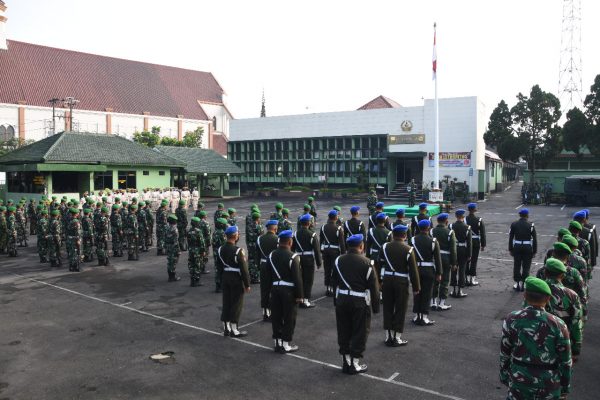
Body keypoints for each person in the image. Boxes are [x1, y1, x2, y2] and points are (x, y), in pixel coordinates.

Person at [500, 277, 572, 400]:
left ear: (525, 295)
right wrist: (565, 387)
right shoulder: (558, 324)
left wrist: (504, 376)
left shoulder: (511, 319)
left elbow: (505, 353)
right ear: (548, 299)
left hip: (519, 380)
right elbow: (565, 361)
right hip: (548, 384)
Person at [332, 234, 380, 374]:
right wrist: (376, 307)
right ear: (361, 246)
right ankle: (355, 363)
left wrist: (337, 301)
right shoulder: (367, 263)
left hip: (342, 301)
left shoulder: (338, 260)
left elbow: (334, 282)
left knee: (344, 331)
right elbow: (374, 287)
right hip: (359, 302)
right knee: (360, 332)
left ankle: (346, 361)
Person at [380, 224, 420, 346]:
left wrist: (379, 281)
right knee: (400, 309)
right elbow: (413, 271)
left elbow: (379, 263)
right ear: (404, 235)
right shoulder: (408, 249)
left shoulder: (385, 247)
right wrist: (416, 287)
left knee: (387, 308)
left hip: (387, 280)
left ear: (393, 235)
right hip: (401, 282)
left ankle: (388, 336)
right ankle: (397, 337)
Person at [265, 230, 304, 353]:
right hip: (288, 291)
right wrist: (299, 295)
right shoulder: (293, 257)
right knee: (289, 317)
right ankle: (286, 343)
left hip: (274, 289)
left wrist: (267, 293)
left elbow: (267, 276)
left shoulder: (271, 255)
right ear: (290, 241)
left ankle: (277, 341)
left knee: (276, 316)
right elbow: (297, 278)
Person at [217, 225, 251, 338]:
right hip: (236, 279)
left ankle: (226, 327)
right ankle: (234, 330)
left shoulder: (220, 249)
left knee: (226, 302)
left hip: (225, 277)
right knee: (236, 304)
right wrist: (247, 284)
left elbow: (219, 267)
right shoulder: (238, 251)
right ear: (235, 236)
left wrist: (221, 279)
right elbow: (244, 269)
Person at [410, 220, 442, 326]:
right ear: (428, 228)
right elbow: (437, 259)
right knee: (427, 293)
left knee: (416, 292)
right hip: (428, 270)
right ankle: (424, 317)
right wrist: (439, 273)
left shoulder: (413, 240)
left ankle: (416, 315)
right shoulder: (433, 241)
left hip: (416, 270)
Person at [293, 214, 323, 308]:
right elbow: (316, 250)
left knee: (299, 279)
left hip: (297, 258)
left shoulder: (295, 234)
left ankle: (299, 298)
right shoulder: (312, 235)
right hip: (308, 259)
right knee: (308, 280)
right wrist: (319, 262)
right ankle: (305, 300)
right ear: (309, 223)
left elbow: (292, 248)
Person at [431, 213, 456, 311]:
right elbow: (453, 249)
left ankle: (433, 301)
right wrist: (454, 263)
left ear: (437, 221)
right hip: (446, 258)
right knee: (445, 280)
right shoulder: (450, 232)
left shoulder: (432, 231)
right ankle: (441, 303)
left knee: (434, 280)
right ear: (446, 221)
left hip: (434, 258)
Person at [509, 209, 537, 291]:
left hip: (517, 246)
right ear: (527, 215)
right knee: (526, 266)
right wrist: (534, 250)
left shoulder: (514, 224)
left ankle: (517, 283)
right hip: (527, 247)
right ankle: (524, 283)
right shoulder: (531, 225)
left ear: (520, 215)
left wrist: (510, 249)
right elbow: (534, 239)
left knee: (517, 265)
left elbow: (511, 238)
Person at [257, 220, 280, 321]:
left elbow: (256, 255)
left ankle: (265, 312)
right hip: (274, 266)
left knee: (264, 289)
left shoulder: (259, 239)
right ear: (275, 228)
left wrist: (259, 265)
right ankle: (272, 311)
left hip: (263, 265)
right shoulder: (278, 239)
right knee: (273, 289)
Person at [320, 210, 347, 297]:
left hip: (326, 251)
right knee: (333, 269)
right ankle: (332, 287)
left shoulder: (323, 227)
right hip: (334, 252)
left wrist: (322, 252)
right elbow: (342, 243)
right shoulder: (338, 228)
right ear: (336, 217)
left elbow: (321, 241)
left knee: (327, 269)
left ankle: (328, 287)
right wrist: (343, 254)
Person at [449, 209, 471, 298]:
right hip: (463, 249)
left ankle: (454, 289)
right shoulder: (467, 227)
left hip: (453, 249)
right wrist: (469, 254)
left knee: (453, 269)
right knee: (462, 270)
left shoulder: (451, 226)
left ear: (456, 216)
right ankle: (460, 290)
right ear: (463, 217)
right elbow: (469, 243)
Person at [366, 212, 391, 283]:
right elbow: (389, 248)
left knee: (374, 273)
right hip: (384, 257)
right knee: (382, 274)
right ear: (385, 221)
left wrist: (368, 256)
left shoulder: (371, 231)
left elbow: (368, 245)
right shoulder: (389, 233)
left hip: (373, 256)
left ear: (376, 221)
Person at [465, 203, 485, 286]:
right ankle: (472, 279)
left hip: (466, 242)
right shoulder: (479, 220)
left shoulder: (465, 219)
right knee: (474, 260)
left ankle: (466, 278)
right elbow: (483, 233)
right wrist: (483, 244)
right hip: (476, 242)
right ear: (475, 209)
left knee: (466, 260)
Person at [187, 217, 206, 287]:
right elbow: (201, 242)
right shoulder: (198, 231)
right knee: (197, 265)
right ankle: (197, 281)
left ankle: (192, 280)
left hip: (191, 250)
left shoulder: (189, 231)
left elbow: (188, 241)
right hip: (197, 250)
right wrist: (203, 251)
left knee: (191, 265)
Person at [212, 218, 228, 292]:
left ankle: (217, 286)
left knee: (217, 268)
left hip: (216, 252)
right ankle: (221, 285)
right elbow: (225, 244)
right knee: (222, 268)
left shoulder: (215, 232)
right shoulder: (222, 233)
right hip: (221, 252)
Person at [246, 211, 263, 284]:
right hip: (256, 245)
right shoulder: (258, 226)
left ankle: (251, 274)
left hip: (250, 245)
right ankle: (255, 277)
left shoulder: (248, 225)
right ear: (257, 218)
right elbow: (261, 236)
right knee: (256, 260)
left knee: (250, 260)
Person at [165, 214, 181, 282]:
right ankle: (172, 277)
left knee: (169, 261)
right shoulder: (175, 229)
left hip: (168, 246)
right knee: (173, 262)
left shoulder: (166, 227)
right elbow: (176, 241)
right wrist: (178, 250)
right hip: (173, 247)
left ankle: (170, 276)